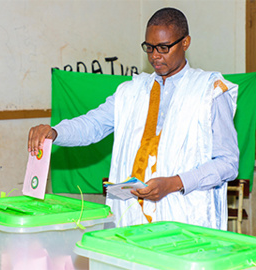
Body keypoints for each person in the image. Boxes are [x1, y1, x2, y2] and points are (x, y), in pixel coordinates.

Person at [28, 7, 239, 230]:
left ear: (185, 43)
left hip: (185, 215)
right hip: (132, 215)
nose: (155, 56)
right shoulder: (131, 91)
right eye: (149, 48)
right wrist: (55, 132)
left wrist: (174, 183)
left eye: (163, 48)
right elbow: (93, 125)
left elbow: (228, 163)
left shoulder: (210, 91)